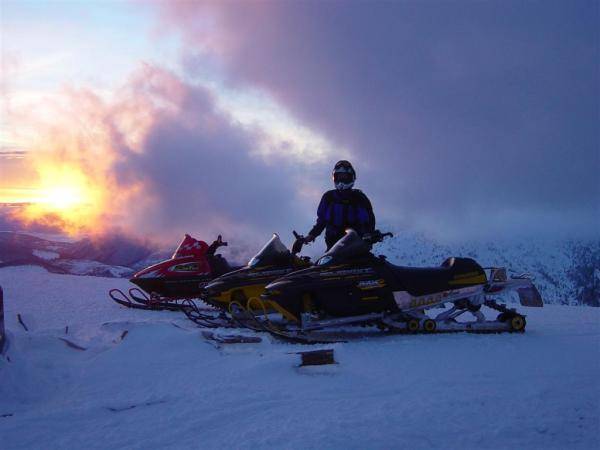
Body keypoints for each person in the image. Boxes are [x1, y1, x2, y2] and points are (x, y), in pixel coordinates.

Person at [304, 160, 375, 250]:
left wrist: (368, 234)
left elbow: (368, 221)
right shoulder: (328, 197)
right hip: (333, 247)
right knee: (321, 263)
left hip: (356, 246)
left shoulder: (359, 197)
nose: (342, 181)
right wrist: (311, 235)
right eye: (339, 177)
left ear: (352, 178)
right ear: (334, 178)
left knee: (370, 263)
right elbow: (321, 221)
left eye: (345, 178)